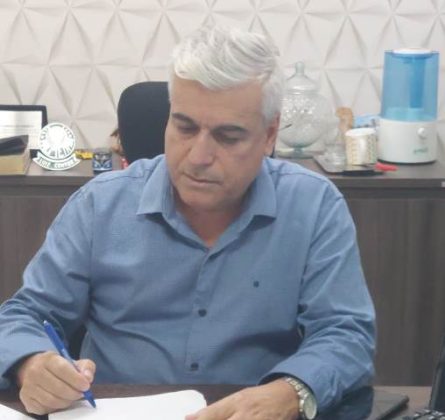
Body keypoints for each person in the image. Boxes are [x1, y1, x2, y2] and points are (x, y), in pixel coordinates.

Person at [0, 26, 375, 419]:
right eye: (185, 127)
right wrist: (31, 363)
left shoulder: (313, 206)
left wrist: (290, 393)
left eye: (228, 136)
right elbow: (23, 315)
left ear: (269, 135)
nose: (198, 156)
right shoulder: (100, 205)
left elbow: (345, 334)